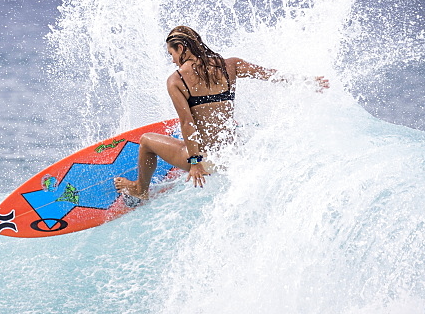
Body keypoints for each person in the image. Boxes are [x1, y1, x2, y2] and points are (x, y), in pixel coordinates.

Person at [113, 25, 329, 197]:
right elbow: (269, 74)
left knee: (146, 140)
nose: (172, 60)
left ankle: (140, 189)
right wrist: (307, 81)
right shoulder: (230, 65)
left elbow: (187, 123)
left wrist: (194, 163)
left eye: (171, 53)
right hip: (232, 155)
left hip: (207, 159)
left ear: (181, 48)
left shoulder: (176, 80)